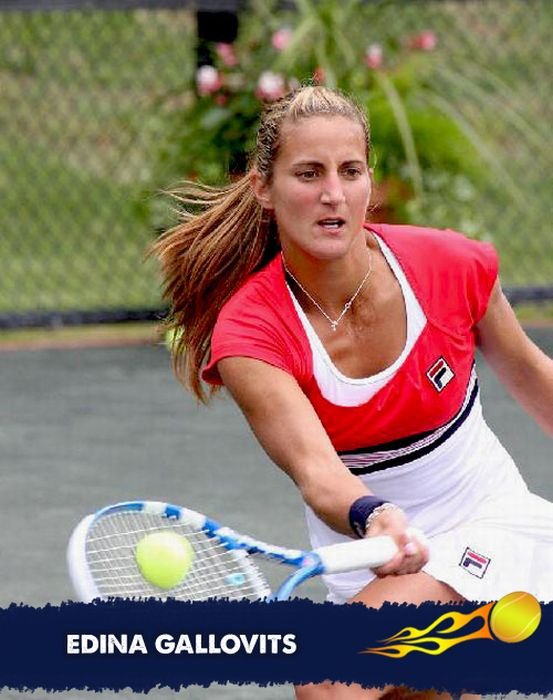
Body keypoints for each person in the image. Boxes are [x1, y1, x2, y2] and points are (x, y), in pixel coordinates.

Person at [151, 85, 553, 699]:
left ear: (370, 181)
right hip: (370, 550)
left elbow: (533, 377)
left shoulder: (449, 266)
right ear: (264, 188)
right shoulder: (251, 333)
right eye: (308, 173)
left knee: (328, 679)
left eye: (350, 171)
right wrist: (376, 517)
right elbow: (316, 471)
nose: (333, 194)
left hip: (487, 526)